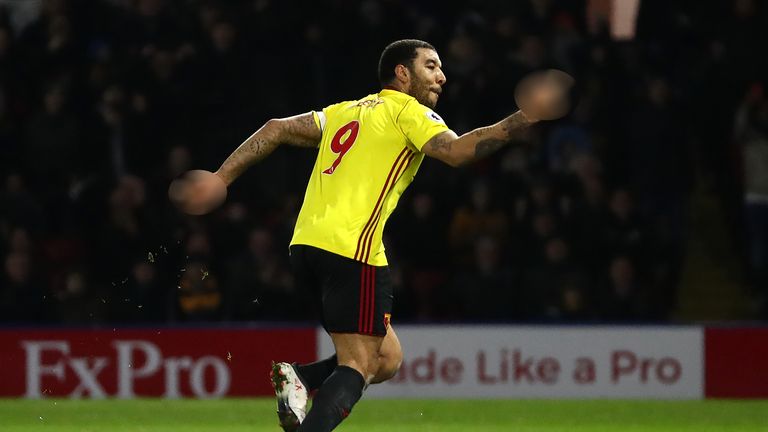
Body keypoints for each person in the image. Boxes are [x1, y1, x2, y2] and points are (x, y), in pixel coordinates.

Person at [170, 39, 572, 432]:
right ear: (401, 73)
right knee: (358, 366)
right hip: (351, 250)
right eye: (430, 66)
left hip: (306, 246)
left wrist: (221, 178)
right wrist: (523, 118)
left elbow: (275, 129)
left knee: (388, 357)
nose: (442, 77)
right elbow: (459, 152)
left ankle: (300, 378)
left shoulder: (345, 111)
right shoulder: (407, 112)